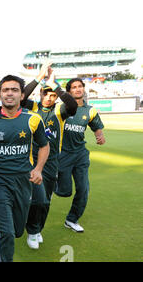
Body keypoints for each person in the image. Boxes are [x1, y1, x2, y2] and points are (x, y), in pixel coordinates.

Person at [0, 74, 50, 262]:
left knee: (17, 231)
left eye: (14, 90)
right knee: (7, 233)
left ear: (22, 95)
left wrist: (39, 169)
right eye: (5, 90)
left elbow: (44, 145)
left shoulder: (33, 120)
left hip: (24, 181)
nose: (10, 93)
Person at [20, 67, 78, 249]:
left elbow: (73, 106)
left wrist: (55, 84)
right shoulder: (33, 108)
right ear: (41, 94)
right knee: (33, 199)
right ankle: (31, 229)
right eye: (46, 94)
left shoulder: (59, 111)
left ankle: (36, 230)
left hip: (51, 163)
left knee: (45, 201)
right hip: (30, 161)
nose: (49, 98)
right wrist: (40, 77)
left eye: (53, 95)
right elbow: (22, 96)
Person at [55, 78, 105, 232]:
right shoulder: (62, 108)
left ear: (83, 89)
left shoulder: (90, 110)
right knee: (64, 191)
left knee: (83, 189)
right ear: (69, 91)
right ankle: (50, 185)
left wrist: (99, 136)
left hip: (80, 155)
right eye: (74, 87)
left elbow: (96, 126)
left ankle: (72, 219)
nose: (77, 89)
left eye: (80, 86)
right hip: (63, 154)